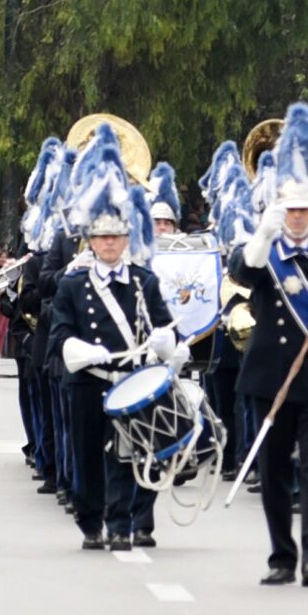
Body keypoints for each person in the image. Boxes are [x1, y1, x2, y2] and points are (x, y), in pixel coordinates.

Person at [228, 108, 308, 588]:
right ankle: (282, 554)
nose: (298, 219)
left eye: (304, 211)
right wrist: (264, 229)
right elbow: (244, 271)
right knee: (276, 469)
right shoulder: (264, 251)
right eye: (290, 212)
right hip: (271, 374)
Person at [48, 165, 184, 552]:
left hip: (131, 381)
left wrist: (165, 341)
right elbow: (59, 332)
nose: (109, 244)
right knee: (88, 456)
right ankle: (91, 521)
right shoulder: (73, 285)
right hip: (89, 381)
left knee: (128, 454)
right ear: (91, 241)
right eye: (102, 237)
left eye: (116, 237)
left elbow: (166, 326)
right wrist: (82, 351)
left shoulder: (145, 282)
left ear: (127, 240)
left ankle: (123, 523)